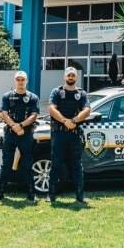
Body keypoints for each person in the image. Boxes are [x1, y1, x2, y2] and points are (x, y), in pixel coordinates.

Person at [47, 67, 90, 203]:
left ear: (76, 78)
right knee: (56, 164)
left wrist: (74, 121)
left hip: (74, 134)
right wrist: (65, 121)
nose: (71, 77)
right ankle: (51, 194)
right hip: (59, 133)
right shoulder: (57, 92)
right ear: (64, 77)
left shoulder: (81, 93)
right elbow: (52, 109)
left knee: (77, 165)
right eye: (69, 75)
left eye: (73, 75)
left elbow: (87, 110)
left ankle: (79, 195)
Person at [0, 71, 40, 202]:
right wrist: (14, 126)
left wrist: (20, 126)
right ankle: (0, 193)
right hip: (10, 133)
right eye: (18, 79)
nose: (20, 82)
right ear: (15, 81)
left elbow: (34, 115)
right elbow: (4, 113)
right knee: (6, 164)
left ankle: (31, 194)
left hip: (26, 134)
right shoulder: (7, 96)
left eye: (23, 79)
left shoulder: (33, 97)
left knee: (27, 164)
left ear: (27, 81)